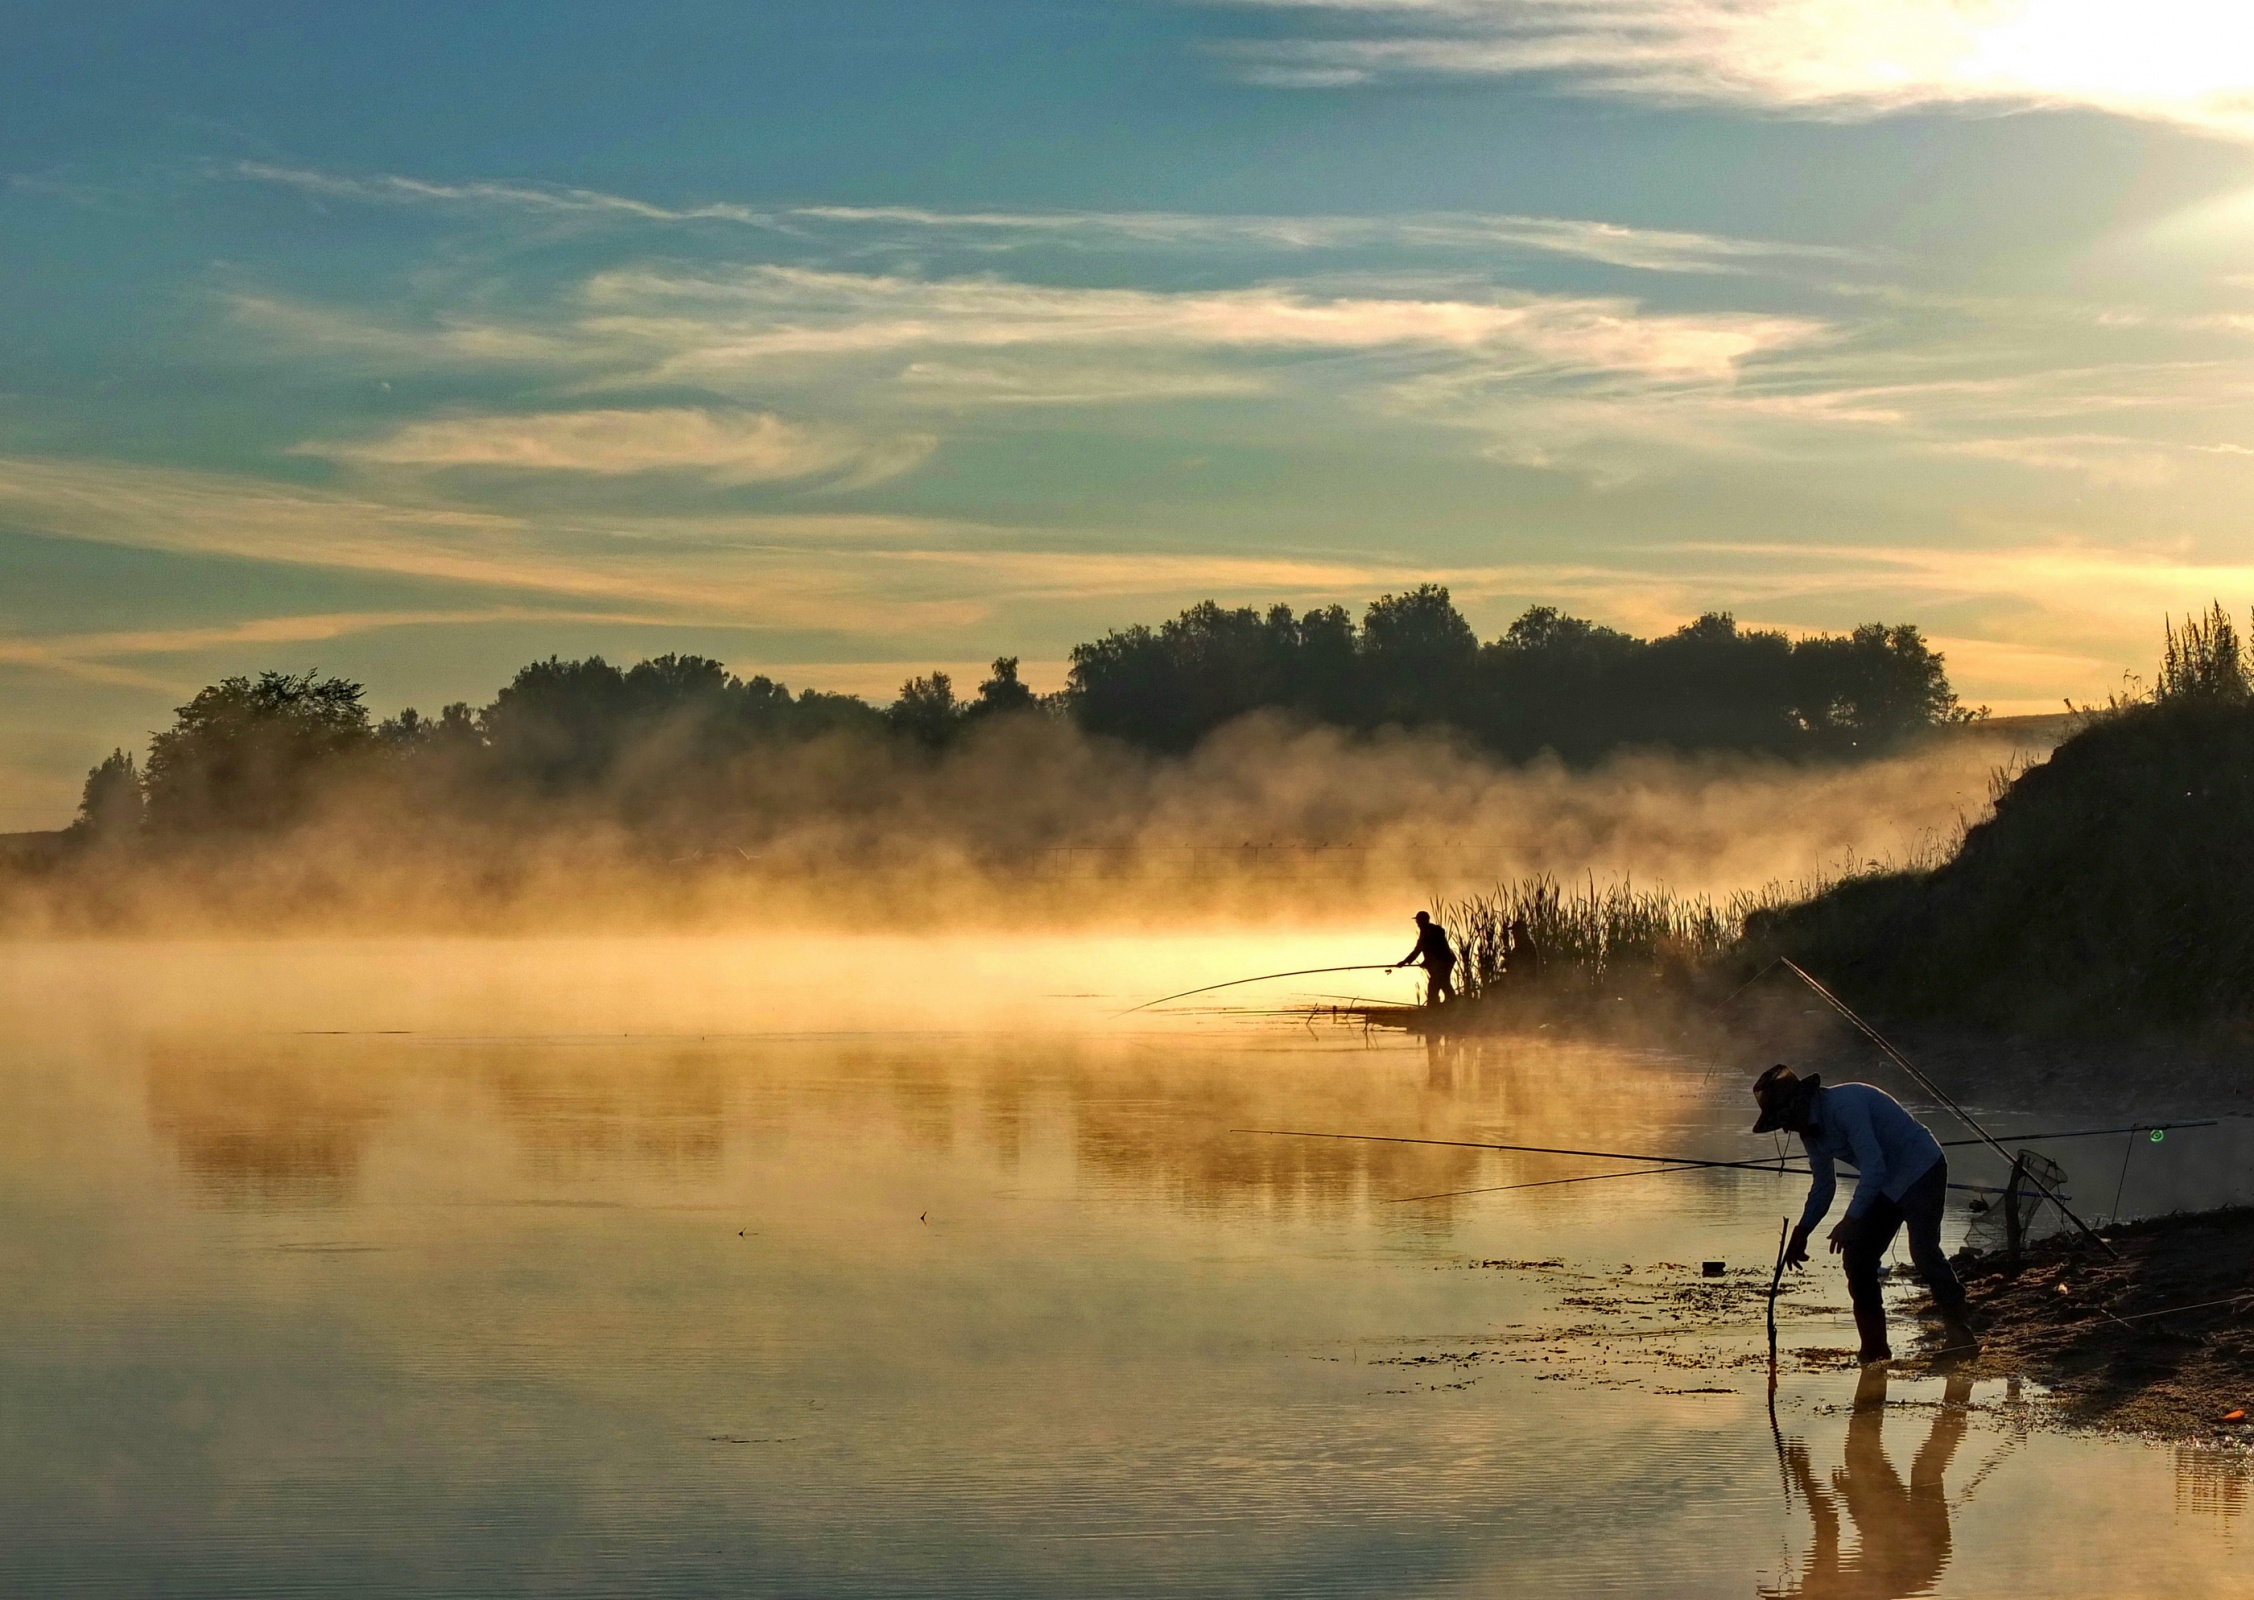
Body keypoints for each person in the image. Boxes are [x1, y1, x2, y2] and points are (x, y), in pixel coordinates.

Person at [1752, 1064, 1978, 1364]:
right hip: (1886, 1184)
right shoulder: (1811, 1134)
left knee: (1924, 1252)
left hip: (1922, 1168)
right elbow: (1823, 1185)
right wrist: (1802, 1231)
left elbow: (1874, 1166)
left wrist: (1850, 1220)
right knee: (1858, 1257)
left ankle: (1961, 1339)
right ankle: (1875, 1349)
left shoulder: (1846, 1106)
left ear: (1800, 1105)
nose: (1786, 1129)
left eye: (1786, 1120)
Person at [1395, 911, 1457, 1005]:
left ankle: (1434, 1007)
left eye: (1418, 921)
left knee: (1434, 985)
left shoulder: (1428, 932)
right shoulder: (1431, 930)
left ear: (1423, 921)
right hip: (1447, 960)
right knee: (1443, 982)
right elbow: (1427, 949)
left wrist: (1404, 962)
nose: (1417, 923)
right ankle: (1453, 1004)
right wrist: (1426, 961)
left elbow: (1420, 949)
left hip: (1444, 962)